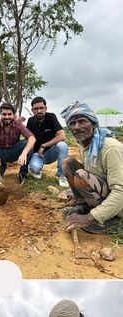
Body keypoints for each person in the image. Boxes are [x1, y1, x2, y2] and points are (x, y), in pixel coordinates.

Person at [60, 101, 123, 233]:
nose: (76, 127)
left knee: (81, 174)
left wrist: (90, 217)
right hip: (106, 191)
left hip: (119, 203)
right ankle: (82, 205)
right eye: (72, 123)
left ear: (94, 124)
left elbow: (120, 191)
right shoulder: (85, 145)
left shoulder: (110, 148)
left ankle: (111, 219)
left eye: (82, 121)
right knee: (68, 163)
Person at [0, 103, 36, 184]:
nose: (7, 117)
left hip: (14, 151)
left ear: (13, 115)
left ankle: (23, 174)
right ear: (0, 115)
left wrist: (24, 153)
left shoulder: (18, 125)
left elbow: (32, 138)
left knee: (28, 143)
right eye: (4, 114)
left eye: (9, 114)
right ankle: (1, 167)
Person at [26, 96, 69, 187]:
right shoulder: (30, 121)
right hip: (38, 154)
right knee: (35, 170)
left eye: (41, 108)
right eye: (36, 109)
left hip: (51, 152)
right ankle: (35, 168)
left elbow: (62, 136)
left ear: (46, 108)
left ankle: (62, 175)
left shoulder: (51, 117)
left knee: (62, 145)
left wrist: (44, 146)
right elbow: (28, 139)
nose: (39, 111)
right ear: (32, 110)